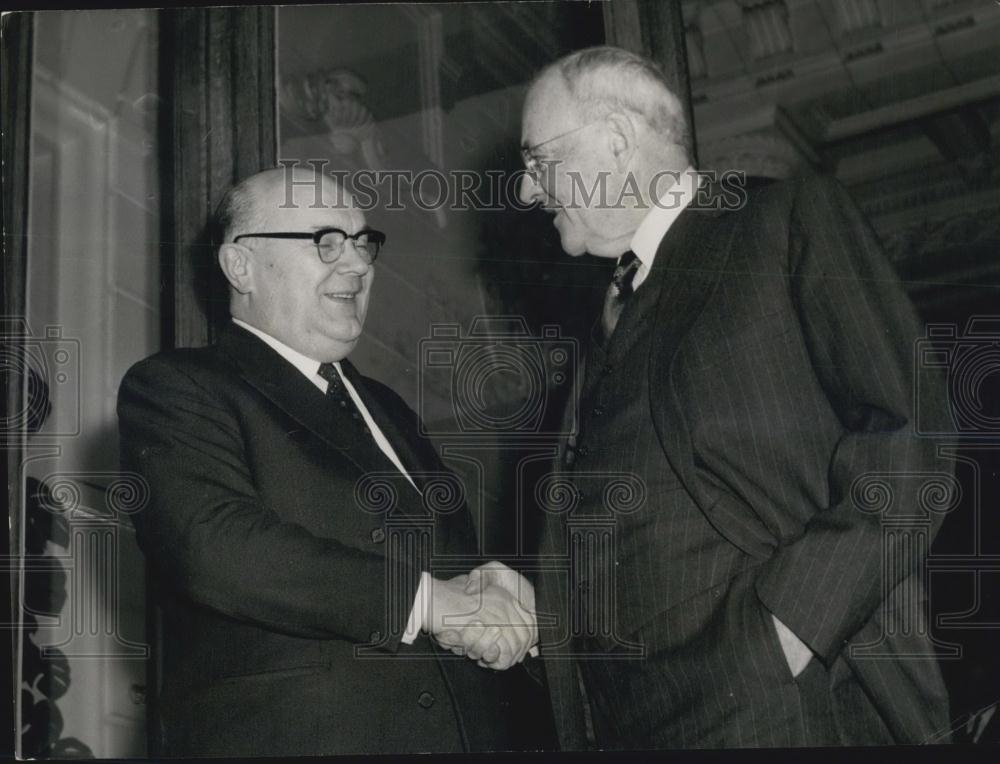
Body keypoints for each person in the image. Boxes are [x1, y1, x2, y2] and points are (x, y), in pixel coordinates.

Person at [515, 46, 953, 749]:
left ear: (618, 143)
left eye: (538, 161)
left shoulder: (780, 220)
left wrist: (789, 628)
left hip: (777, 704)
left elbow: (911, 438)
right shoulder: (599, 318)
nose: (530, 192)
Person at [117, 167, 544, 756]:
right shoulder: (179, 387)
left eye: (363, 242)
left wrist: (488, 587)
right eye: (326, 242)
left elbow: (437, 574)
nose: (360, 265)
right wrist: (432, 601)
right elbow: (215, 545)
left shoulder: (388, 408)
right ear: (240, 266)